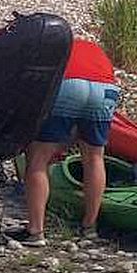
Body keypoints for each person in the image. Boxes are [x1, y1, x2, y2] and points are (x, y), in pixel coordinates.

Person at [11, 39, 119, 247]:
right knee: (95, 157)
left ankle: (35, 231)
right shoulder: (92, 47)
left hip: (69, 84)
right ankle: (89, 227)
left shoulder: (48, 47)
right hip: (105, 88)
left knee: (38, 158)